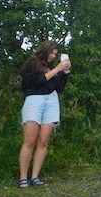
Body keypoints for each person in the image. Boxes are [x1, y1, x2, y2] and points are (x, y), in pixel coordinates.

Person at [18, 40, 71, 188]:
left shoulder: (53, 67)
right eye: (52, 53)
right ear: (45, 51)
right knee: (30, 140)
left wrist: (65, 72)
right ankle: (23, 177)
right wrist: (57, 69)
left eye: (56, 54)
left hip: (52, 101)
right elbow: (38, 80)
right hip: (34, 100)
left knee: (43, 140)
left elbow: (59, 87)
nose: (53, 56)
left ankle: (35, 176)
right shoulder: (31, 64)